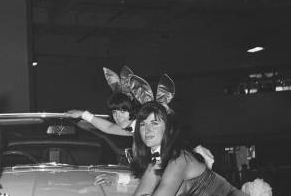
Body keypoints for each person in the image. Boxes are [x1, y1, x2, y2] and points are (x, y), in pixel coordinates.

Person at [111, 101, 268, 196]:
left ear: (168, 128)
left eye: (155, 123)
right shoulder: (157, 161)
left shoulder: (180, 159)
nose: (147, 130)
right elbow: (139, 195)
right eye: (143, 124)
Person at [67, 67, 215, 168]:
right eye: (114, 113)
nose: (117, 117)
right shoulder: (137, 128)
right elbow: (109, 127)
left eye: (122, 111)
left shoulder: (146, 127)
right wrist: (83, 114)